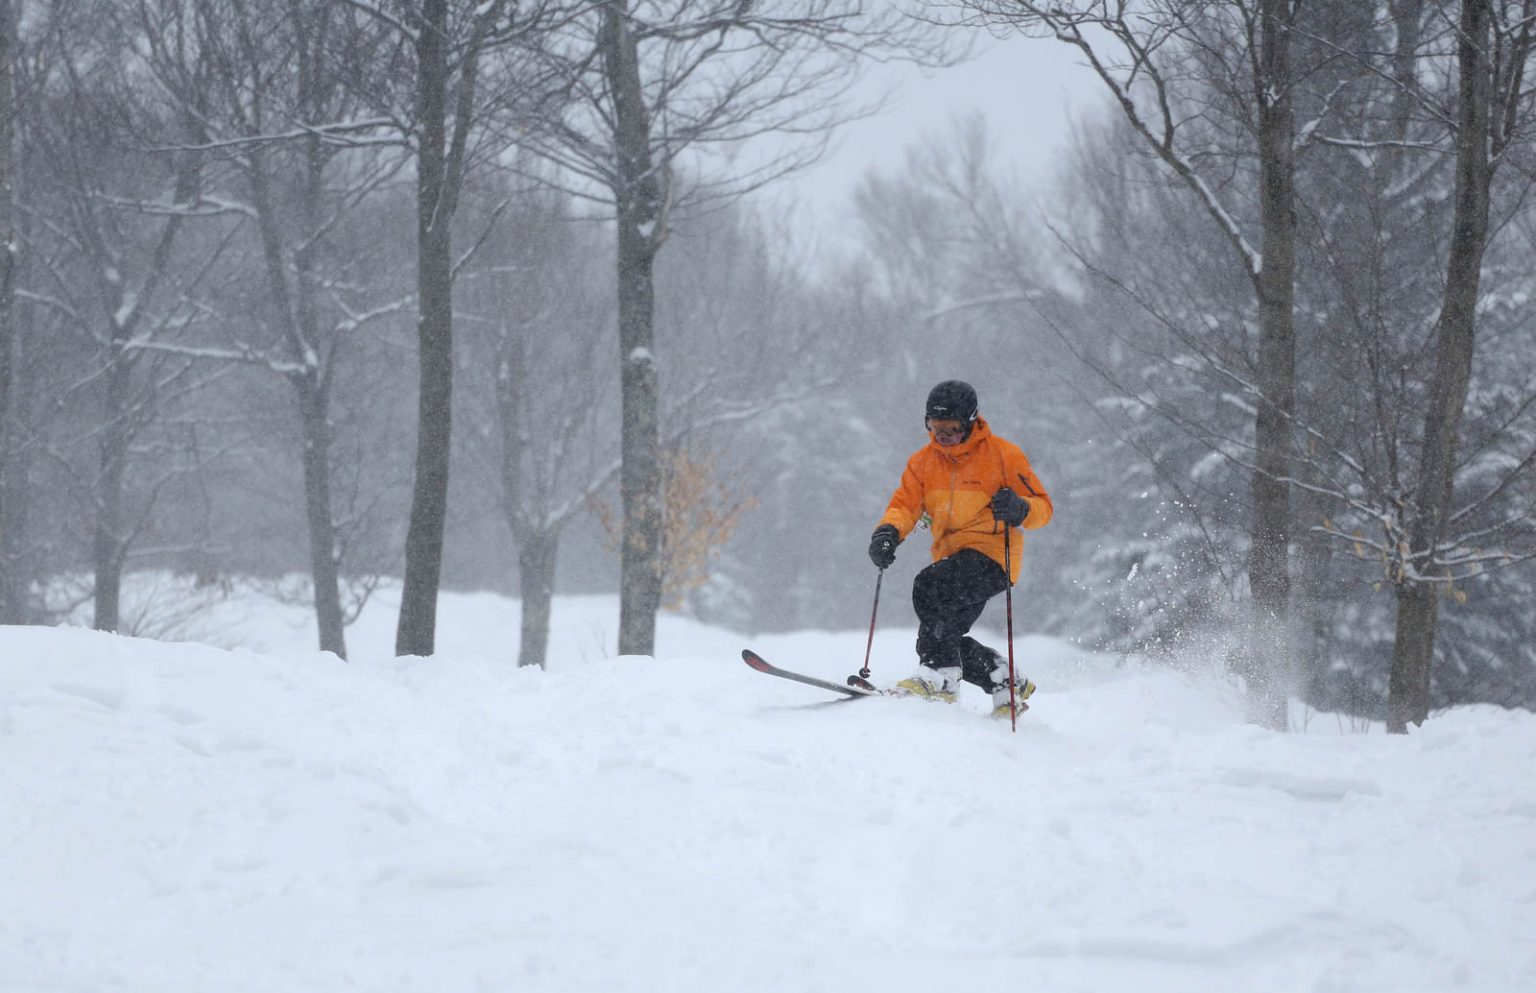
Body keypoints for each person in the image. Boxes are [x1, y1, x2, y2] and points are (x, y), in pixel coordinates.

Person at [868, 380, 1053, 719]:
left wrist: (1019, 508)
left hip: (993, 556)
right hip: (951, 559)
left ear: (971, 422)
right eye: (936, 428)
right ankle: (1004, 680)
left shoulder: (1002, 456)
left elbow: (1043, 508)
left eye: (952, 428)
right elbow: (905, 506)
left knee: (928, 586)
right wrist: (888, 533)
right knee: (942, 633)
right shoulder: (922, 463)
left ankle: (940, 678)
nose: (943, 436)